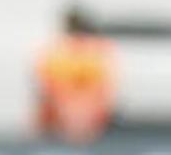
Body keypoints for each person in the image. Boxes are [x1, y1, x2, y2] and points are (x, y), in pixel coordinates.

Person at [36, 10, 118, 144]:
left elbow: (101, 93)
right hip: (64, 121)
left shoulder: (96, 53)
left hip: (86, 121)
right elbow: (49, 92)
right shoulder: (57, 54)